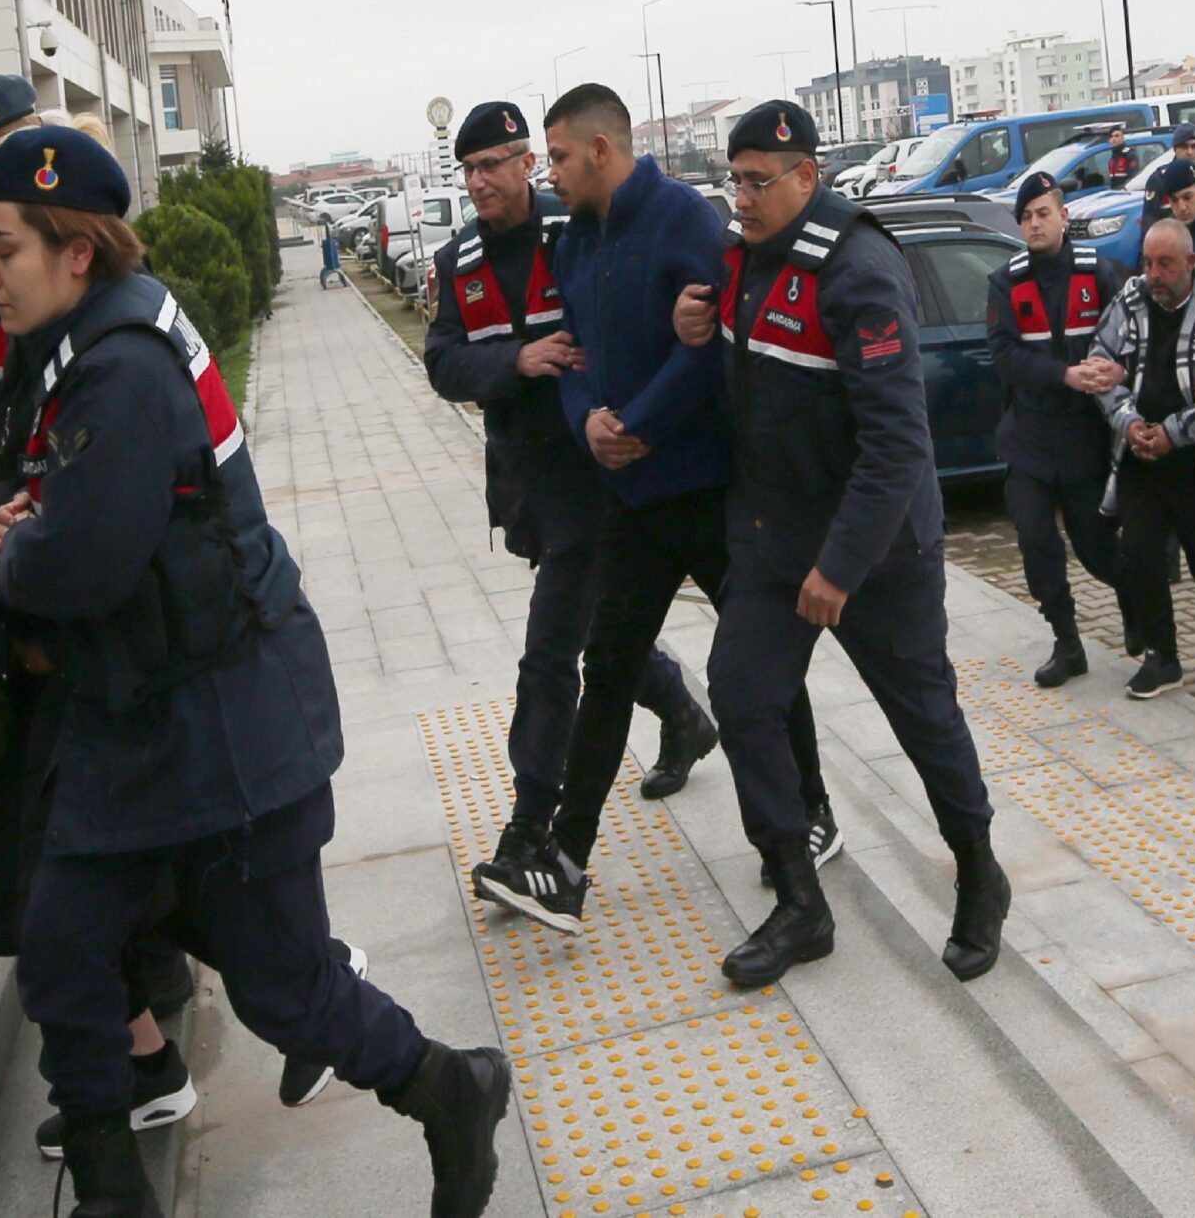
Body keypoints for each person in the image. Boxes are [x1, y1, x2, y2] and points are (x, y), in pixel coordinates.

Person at [0, 125, 510, 1217]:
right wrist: (54, 516)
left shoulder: (119, 369)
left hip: (224, 736)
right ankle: (115, 1193)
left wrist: (20, 545)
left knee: (286, 992)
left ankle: (448, 1089)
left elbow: (78, 568)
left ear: (75, 250)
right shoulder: (100, 337)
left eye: (1, 249)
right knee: (65, 951)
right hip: (144, 728)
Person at [468, 85, 835, 938]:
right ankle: (564, 862)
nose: (547, 173)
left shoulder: (681, 221)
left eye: (557, 156)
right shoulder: (575, 243)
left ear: (601, 150)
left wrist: (639, 422)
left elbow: (710, 351)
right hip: (630, 498)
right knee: (607, 667)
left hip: (707, 490)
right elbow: (573, 357)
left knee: (759, 663)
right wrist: (590, 421)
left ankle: (813, 809)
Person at [678, 103, 1007, 988]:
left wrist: (840, 567)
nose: (739, 199)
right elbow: (753, 389)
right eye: (733, 181)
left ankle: (979, 874)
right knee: (743, 698)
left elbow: (898, 445)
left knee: (924, 719)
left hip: (876, 553)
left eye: (757, 182)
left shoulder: (859, 268)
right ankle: (798, 899)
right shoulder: (742, 262)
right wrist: (694, 330)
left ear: (806, 178)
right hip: (774, 541)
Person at [423, 101, 716, 885]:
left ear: (528, 163)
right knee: (598, 630)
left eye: (496, 164)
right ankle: (684, 716)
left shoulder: (576, 230)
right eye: (469, 170)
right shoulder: (458, 265)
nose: (480, 181)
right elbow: (443, 362)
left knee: (551, 650)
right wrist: (514, 363)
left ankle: (530, 829)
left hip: (599, 472)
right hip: (529, 483)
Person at [1083, 218, 1195, 699]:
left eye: (1164, 264)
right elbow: (1099, 364)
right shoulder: (1132, 298)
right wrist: (1130, 422)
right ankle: (1164, 657)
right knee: (1141, 556)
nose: (1153, 273)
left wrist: (1172, 433)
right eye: (1147, 262)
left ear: (1190, 262)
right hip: (1141, 455)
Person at [984, 169, 1131, 688]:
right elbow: (1004, 355)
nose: (1034, 223)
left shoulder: (1101, 271)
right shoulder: (1006, 281)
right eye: (1025, 217)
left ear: (1064, 216)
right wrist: (1063, 374)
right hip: (1029, 438)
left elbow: (1130, 336)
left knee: (1096, 546)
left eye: (1043, 212)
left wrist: (1116, 369)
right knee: (1034, 537)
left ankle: (1139, 608)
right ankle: (1067, 643)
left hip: (1084, 440)